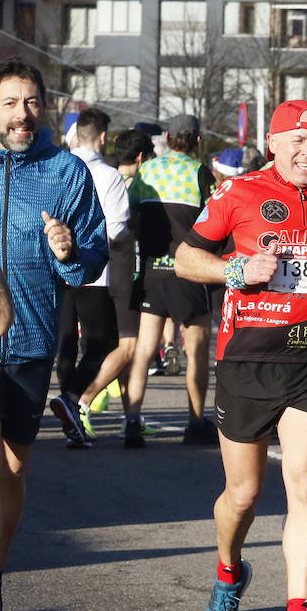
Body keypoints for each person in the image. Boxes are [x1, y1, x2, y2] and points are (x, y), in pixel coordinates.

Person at [174, 99, 307, 611]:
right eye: (302, 142)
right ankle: (229, 571)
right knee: (244, 495)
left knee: (306, 486)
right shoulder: (238, 194)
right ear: (275, 144)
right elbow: (185, 258)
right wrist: (236, 270)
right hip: (247, 359)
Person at [0, 58, 107, 611]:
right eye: (10, 103)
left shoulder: (66, 171)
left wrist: (69, 249)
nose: (22, 114)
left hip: (32, 340)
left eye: (31, 103)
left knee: (13, 470)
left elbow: (93, 260)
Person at [123, 113, 219, 447]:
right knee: (196, 352)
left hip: (151, 270)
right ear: (197, 140)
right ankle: (195, 423)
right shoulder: (199, 173)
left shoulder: (147, 170)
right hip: (189, 270)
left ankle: (132, 422)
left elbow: (130, 213)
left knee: (144, 350)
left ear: (167, 135)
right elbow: (218, 219)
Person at [49, 108, 131, 448]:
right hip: (93, 273)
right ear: (101, 138)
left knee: (66, 339)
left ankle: (68, 410)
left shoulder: (54, 170)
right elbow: (116, 231)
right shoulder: (109, 176)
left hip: (57, 266)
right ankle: (70, 400)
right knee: (102, 343)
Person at [74, 129, 152, 439]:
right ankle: (82, 401)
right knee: (128, 346)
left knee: (120, 345)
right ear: (142, 157)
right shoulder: (135, 186)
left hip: (110, 276)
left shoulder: (111, 180)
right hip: (123, 276)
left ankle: (131, 417)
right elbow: (119, 235)